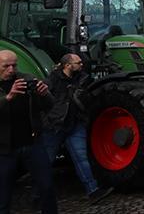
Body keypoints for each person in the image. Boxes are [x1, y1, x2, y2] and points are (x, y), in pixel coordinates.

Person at [40, 54, 113, 203]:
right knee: (46, 161)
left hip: (74, 124)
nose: (81, 64)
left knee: (81, 159)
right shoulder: (53, 79)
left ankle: (93, 191)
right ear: (67, 65)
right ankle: (38, 195)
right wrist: (47, 120)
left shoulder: (82, 78)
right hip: (56, 125)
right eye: (78, 63)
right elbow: (43, 100)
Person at [0, 50, 57, 214]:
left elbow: (49, 105)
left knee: (47, 187)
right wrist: (8, 97)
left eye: (14, 65)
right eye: (6, 66)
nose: (11, 70)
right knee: (3, 195)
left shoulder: (26, 79)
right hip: (5, 149)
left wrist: (44, 94)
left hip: (32, 143)